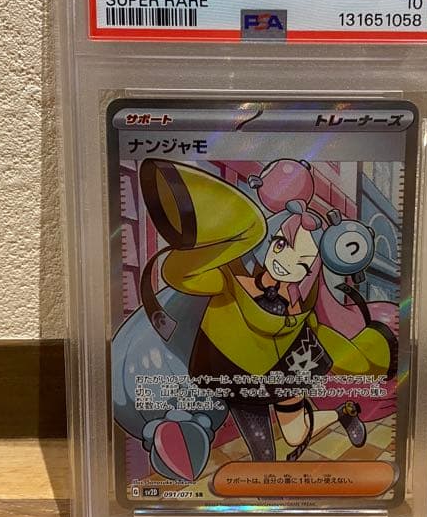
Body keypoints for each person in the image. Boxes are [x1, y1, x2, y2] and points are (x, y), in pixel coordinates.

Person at [140, 157, 394, 462]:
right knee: (263, 454)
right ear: (271, 240)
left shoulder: (299, 306)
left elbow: (320, 336)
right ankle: (337, 419)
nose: (287, 263)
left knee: (295, 434)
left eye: (302, 263)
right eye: (282, 246)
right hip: (236, 373)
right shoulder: (231, 278)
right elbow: (178, 274)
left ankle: (343, 413)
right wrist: (239, 234)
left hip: (281, 371)